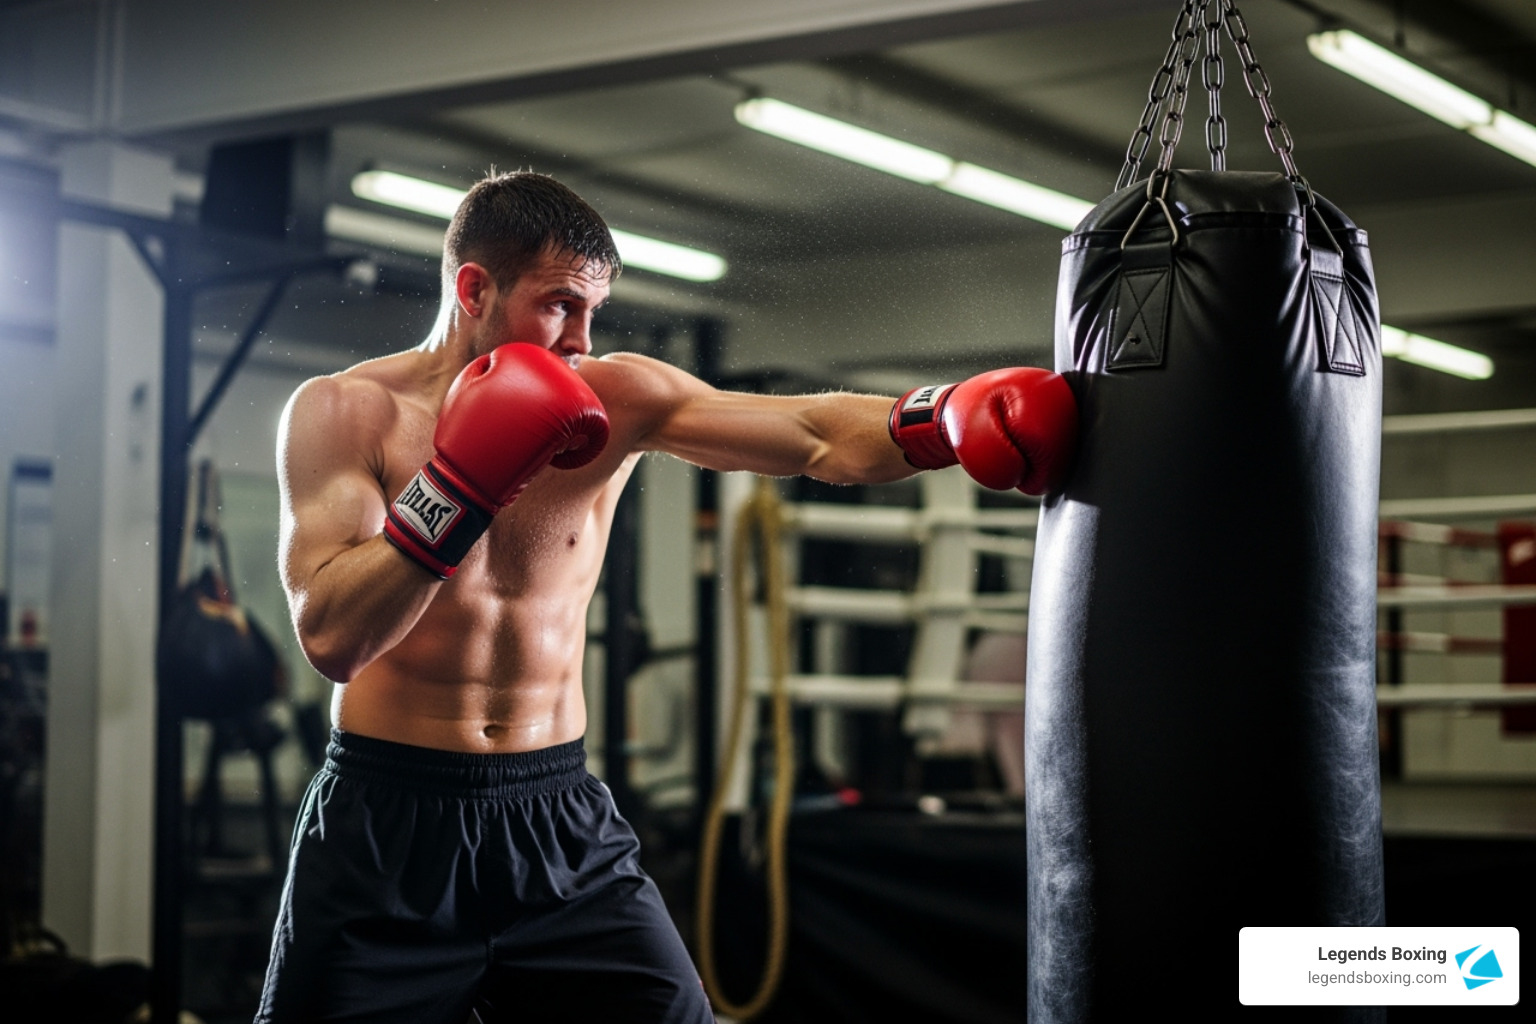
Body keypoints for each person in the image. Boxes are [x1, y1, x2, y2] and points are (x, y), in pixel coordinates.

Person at [258, 170, 1077, 1024]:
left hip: (556, 820)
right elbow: (332, 637)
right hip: (390, 828)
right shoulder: (345, 413)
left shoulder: (616, 398)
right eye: (559, 305)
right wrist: (459, 486)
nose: (580, 339)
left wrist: (943, 419)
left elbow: (812, 435)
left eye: (593, 311)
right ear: (474, 287)